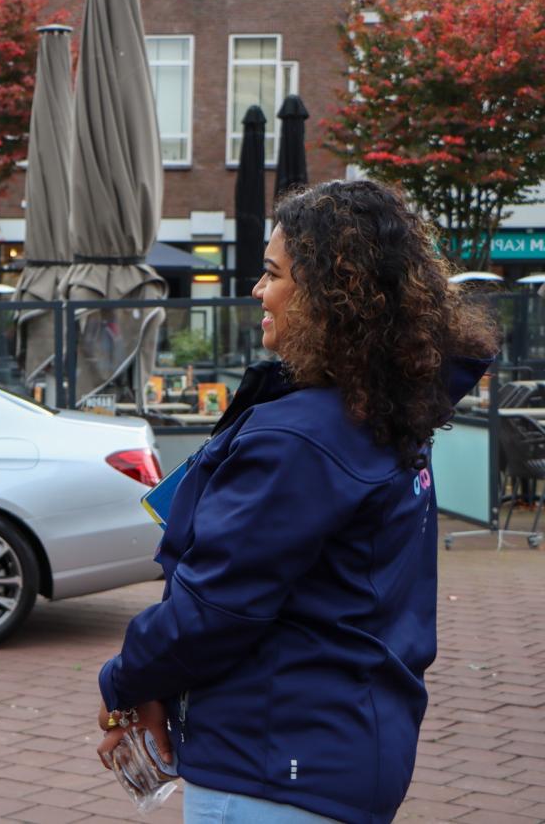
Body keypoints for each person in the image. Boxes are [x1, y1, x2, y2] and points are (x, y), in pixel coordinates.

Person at [94, 179, 499, 824]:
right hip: (346, 748)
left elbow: (215, 606)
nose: (258, 290)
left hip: (273, 766)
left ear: (331, 297)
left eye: (273, 273)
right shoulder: (385, 417)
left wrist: (123, 683)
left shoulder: (302, 437)